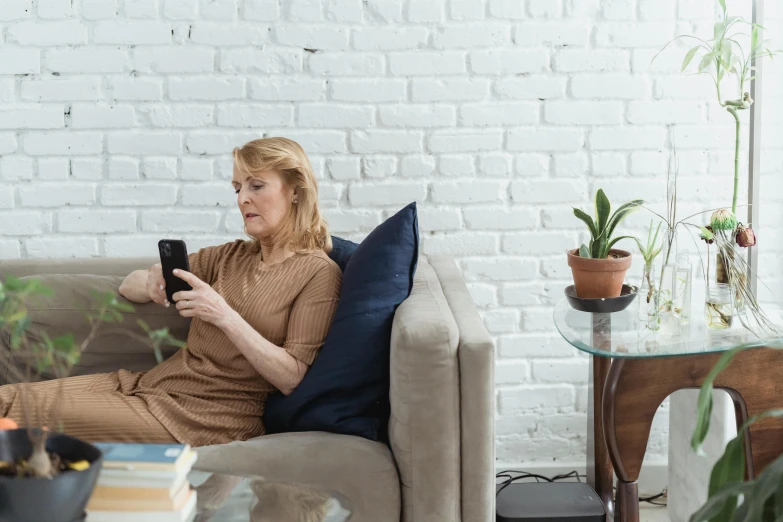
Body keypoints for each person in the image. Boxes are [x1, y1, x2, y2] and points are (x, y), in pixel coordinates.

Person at [0, 137, 342, 447]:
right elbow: (128, 285)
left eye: (256, 186)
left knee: (18, 412)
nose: (242, 199)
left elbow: (293, 378)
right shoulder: (230, 255)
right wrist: (150, 281)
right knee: (7, 399)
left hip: (204, 418)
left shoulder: (318, 273)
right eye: (237, 188)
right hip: (148, 386)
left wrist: (224, 315)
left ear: (295, 190)